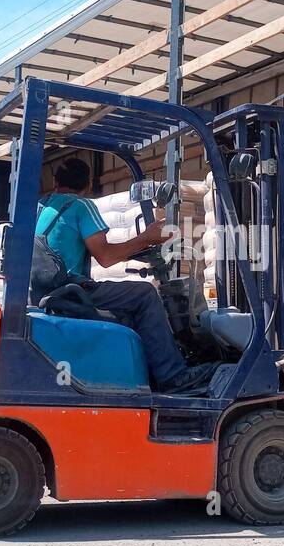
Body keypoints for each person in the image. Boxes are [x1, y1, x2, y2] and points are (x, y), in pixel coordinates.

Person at [36, 158, 216, 395]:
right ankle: (173, 375)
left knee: (129, 305)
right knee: (144, 294)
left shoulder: (42, 206)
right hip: (71, 290)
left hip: (49, 291)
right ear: (89, 185)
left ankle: (148, 370)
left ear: (56, 182)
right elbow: (106, 257)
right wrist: (146, 238)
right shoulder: (80, 206)